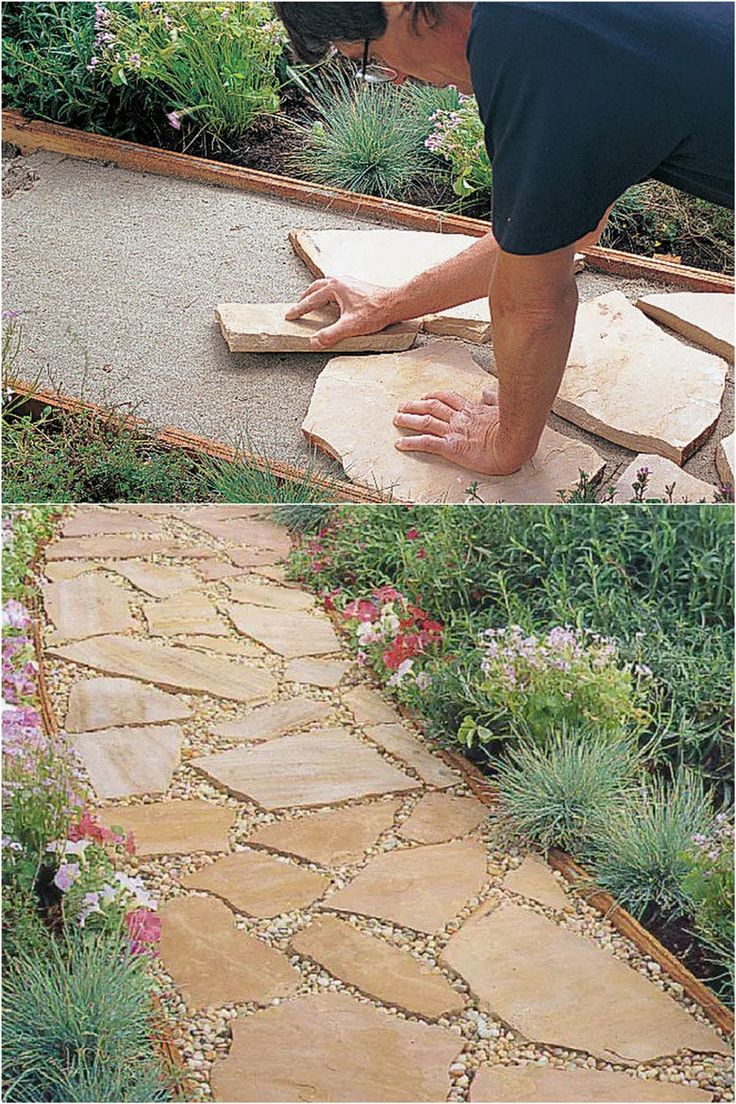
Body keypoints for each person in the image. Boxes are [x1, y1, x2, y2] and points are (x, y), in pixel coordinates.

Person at [274, 2, 734, 476]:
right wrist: (391, 305)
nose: (395, 80)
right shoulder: (538, 22)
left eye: (369, 59)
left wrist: (505, 442)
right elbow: (551, 235)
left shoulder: (529, 49)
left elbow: (534, 304)